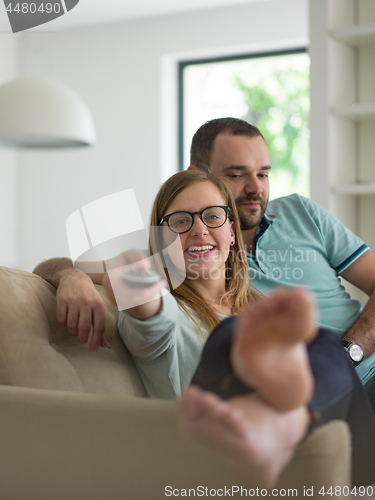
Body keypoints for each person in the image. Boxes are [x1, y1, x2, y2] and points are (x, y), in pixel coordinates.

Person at [34, 170, 375, 487]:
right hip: (219, 465)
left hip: (326, 453)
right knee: (232, 335)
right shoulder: (170, 313)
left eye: (212, 216)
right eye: (180, 222)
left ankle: (284, 422)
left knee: (321, 342)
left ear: (230, 230)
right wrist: (78, 275)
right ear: (161, 241)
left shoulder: (262, 308)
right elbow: (147, 309)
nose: (198, 229)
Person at [188, 117, 375, 405]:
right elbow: (123, 273)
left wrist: (349, 352)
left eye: (262, 174)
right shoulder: (194, 250)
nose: (255, 188)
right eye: (237, 175)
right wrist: (88, 281)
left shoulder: (301, 211)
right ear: (197, 176)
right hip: (320, 395)